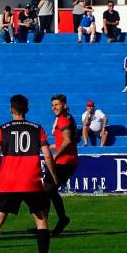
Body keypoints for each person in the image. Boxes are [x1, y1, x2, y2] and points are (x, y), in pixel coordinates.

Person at [0, 94, 58, 253]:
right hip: (32, 180)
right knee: (41, 221)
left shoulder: (2, 129)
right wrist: (54, 176)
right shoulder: (37, 128)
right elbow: (47, 154)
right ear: (27, 109)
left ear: (11, 109)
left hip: (9, 181)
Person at [44, 94, 78, 236]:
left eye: (57, 104)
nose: (54, 108)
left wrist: (55, 155)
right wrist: (50, 146)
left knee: (47, 190)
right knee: (47, 190)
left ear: (64, 105)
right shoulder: (67, 118)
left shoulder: (63, 120)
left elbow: (68, 140)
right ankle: (44, 226)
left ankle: (58, 220)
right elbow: (68, 140)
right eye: (52, 105)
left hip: (64, 161)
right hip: (66, 160)